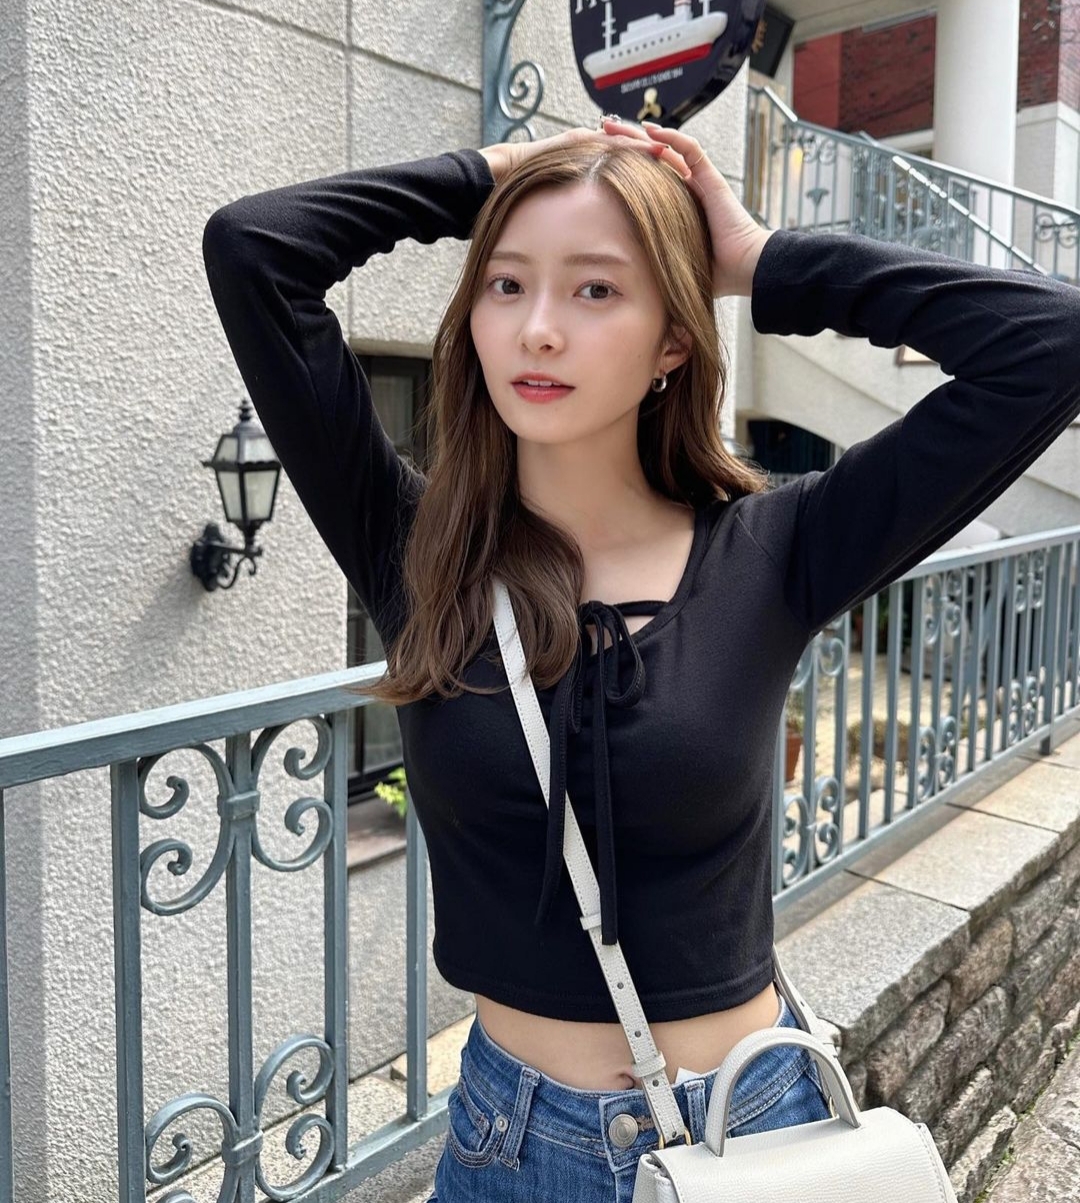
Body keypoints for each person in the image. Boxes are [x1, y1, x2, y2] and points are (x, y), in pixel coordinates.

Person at [202, 114, 1080, 1203]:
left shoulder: (778, 550)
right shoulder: (418, 548)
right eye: (507, 284)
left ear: (674, 340)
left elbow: (1048, 340)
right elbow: (255, 248)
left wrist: (761, 261)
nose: (538, 331)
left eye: (596, 290)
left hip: (747, 1135)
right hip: (508, 1146)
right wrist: (491, 175)